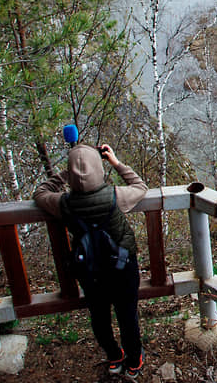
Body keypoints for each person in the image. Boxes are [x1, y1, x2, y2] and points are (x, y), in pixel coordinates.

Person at [33, 143, 147, 380]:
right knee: (127, 317)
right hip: (122, 268)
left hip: (90, 271)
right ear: (99, 169)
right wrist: (115, 162)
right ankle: (134, 363)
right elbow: (140, 186)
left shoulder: (63, 204)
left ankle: (115, 357)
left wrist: (66, 174)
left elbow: (41, 192)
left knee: (99, 317)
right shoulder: (116, 196)